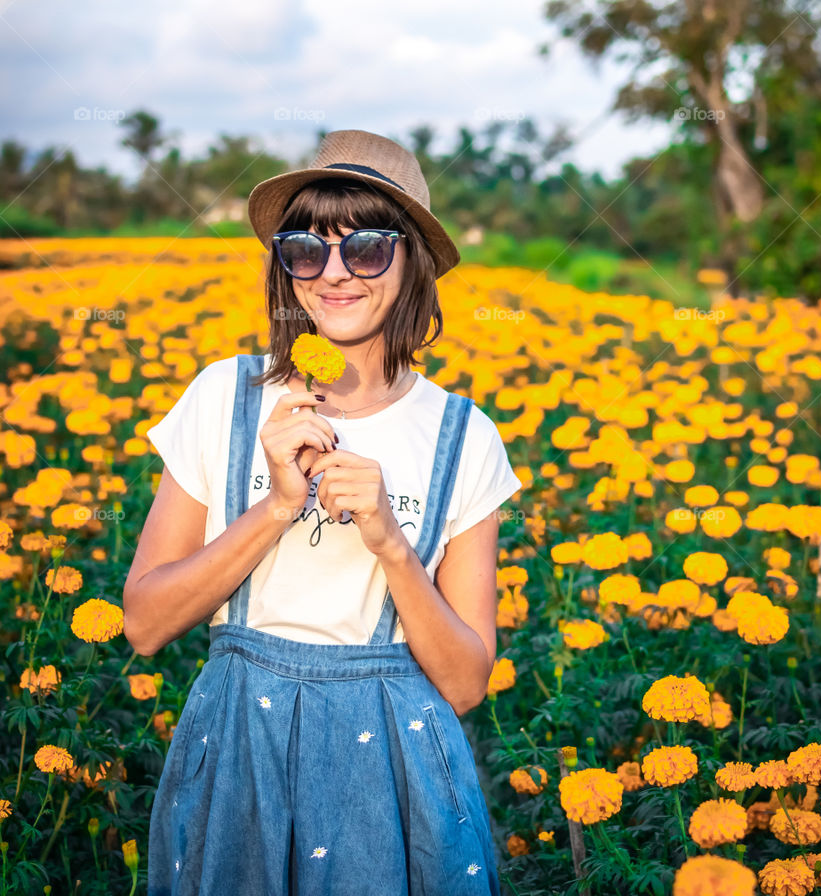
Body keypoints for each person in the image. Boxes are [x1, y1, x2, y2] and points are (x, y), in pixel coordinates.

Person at [123, 128, 523, 895]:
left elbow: (467, 683)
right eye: (304, 249)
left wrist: (390, 543)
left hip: (393, 761)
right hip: (240, 744)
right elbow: (144, 625)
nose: (332, 274)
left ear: (413, 263)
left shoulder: (461, 436)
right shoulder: (225, 396)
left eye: (366, 247)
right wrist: (276, 504)